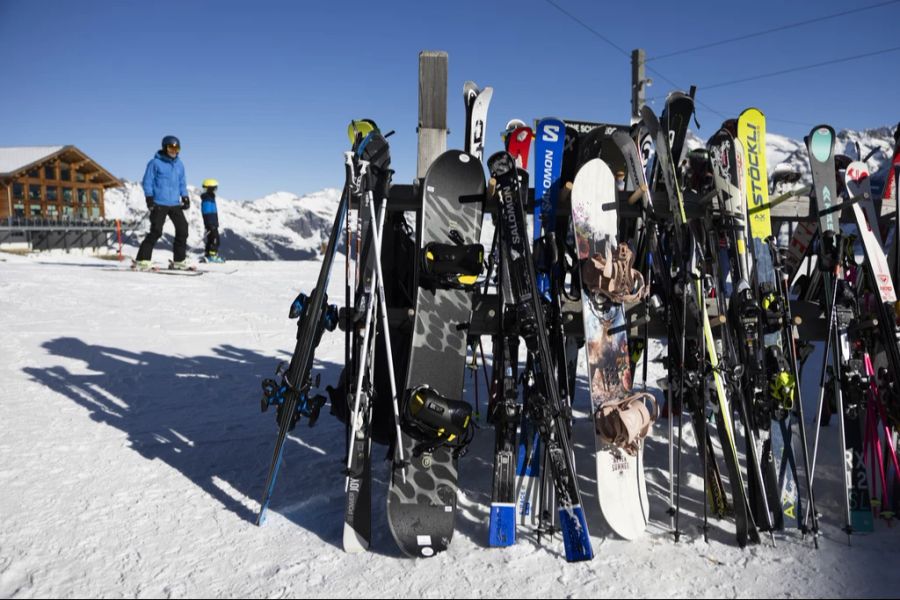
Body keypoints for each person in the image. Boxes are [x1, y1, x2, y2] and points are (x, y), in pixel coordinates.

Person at [135, 135, 191, 270]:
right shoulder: (154, 163)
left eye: (176, 148)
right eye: (171, 147)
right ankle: (142, 260)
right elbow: (147, 181)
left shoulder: (179, 164)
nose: (174, 151)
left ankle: (179, 261)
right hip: (159, 202)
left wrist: (185, 196)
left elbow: (182, 182)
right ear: (164, 147)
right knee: (156, 231)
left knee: (183, 229)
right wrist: (149, 198)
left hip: (174, 203)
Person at [200, 178, 224, 262]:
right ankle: (212, 256)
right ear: (211, 188)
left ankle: (208, 254)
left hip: (212, 222)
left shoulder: (210, 198)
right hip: (211, 223)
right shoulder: (208, 199)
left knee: (211, 239)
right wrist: (211, 224)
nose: (215, 190)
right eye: (214, 188)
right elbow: (207, 212)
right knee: (215, 239)